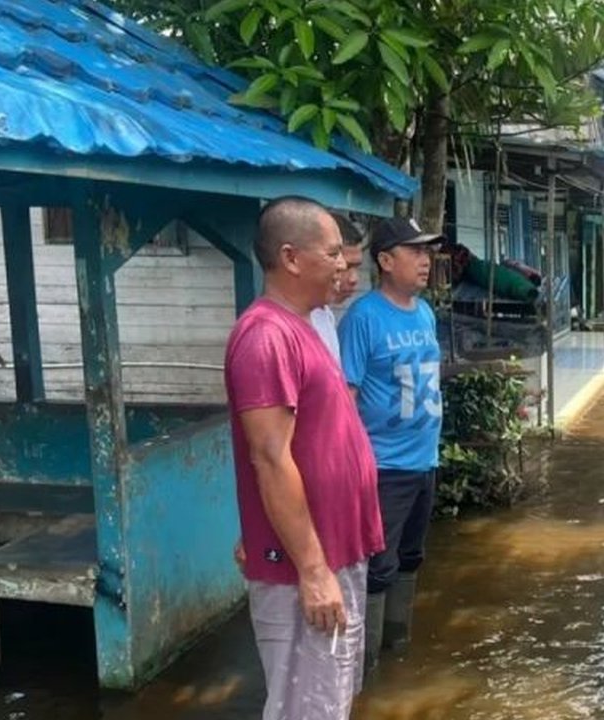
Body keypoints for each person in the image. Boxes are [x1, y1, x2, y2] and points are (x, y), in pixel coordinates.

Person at [223, 196, 383, 720]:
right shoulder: (267, 336)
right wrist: (313, 569)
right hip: (308, 567)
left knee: (329, 700)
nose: (343, 265)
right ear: (291, 258)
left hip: (335, 550)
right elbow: (270, 458)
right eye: (334, 253)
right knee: (306, 708)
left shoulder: (308, 324)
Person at [338, 216, 444, 676]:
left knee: (411, 557)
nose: (426, 261)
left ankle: (397, 650)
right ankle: (366, 674)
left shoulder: (424, 313)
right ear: (385, 261)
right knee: (378, 568)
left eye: (427, 252)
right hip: (383, 467)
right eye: (415, 251)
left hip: (425, 461)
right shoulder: (363, 318)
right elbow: (346, 399)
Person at [310, 212, 367, 362]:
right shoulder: (273, 328)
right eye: (346, 266)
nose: (354, 279)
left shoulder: (325, 313)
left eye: (357, 267)